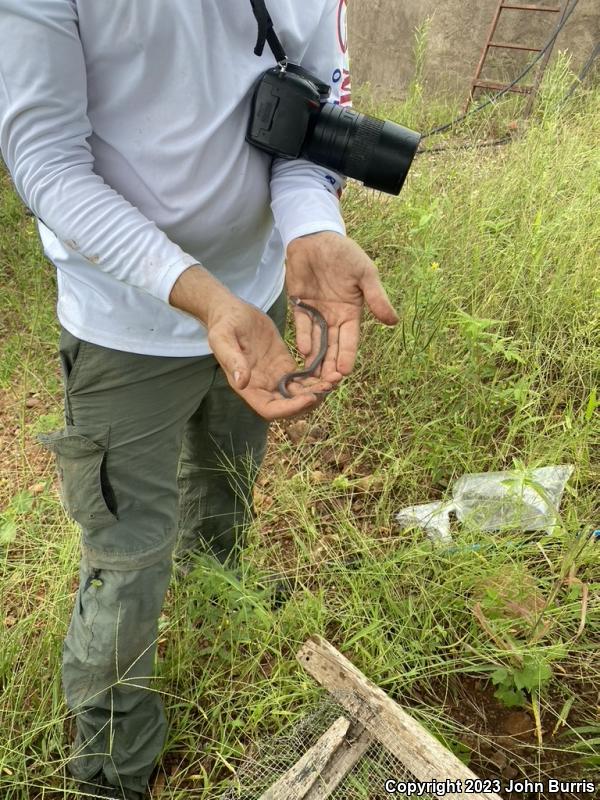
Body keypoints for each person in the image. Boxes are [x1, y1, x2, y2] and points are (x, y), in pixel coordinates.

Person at [0, 1, 399, 797]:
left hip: (257, 303)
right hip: (124, 326)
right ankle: (115, 768)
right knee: (127, 561)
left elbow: (307, 116)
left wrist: (312, 225)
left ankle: (219, 603)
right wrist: (203, 297)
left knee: (224, 488)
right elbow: (46, 160)